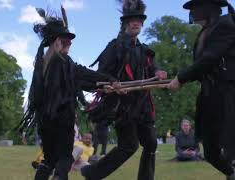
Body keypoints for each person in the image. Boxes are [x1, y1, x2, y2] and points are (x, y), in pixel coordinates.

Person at [19, 7, 117, 180]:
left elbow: (80, 80)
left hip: (45, 122)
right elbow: (83, 74)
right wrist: (109, 80)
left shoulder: (41, 63)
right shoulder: (63, 62)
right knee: (65, 158)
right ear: (57, 41)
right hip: (62, 120)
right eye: (66, 40)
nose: (70, 44)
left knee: (49, 160)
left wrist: (104, 84)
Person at [81, 0, 167, 179]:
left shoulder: (145, 50)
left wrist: (158, 72)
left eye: (139, 20)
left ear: (142, 23)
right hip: (122, 107)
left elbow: (152, 67)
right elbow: (101, 73)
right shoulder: (114, 46)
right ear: (126, 23)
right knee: (129, 146)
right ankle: (92, 173)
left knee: (151, 143)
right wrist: (113, 83)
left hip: (143, 105)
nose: (135, 22)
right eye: (131, 20)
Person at [167, 0, 235, 179]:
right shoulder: (205, 33)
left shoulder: (226, 25)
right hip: (209, 96)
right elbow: (201, 67)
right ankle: (232, 173)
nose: (192, 12)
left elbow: (210, 59)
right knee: (211, 152)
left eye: (195, 7)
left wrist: (181, 77)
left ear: (208, 8)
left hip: (227, 95)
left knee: (230, 147)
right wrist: (178, 78)